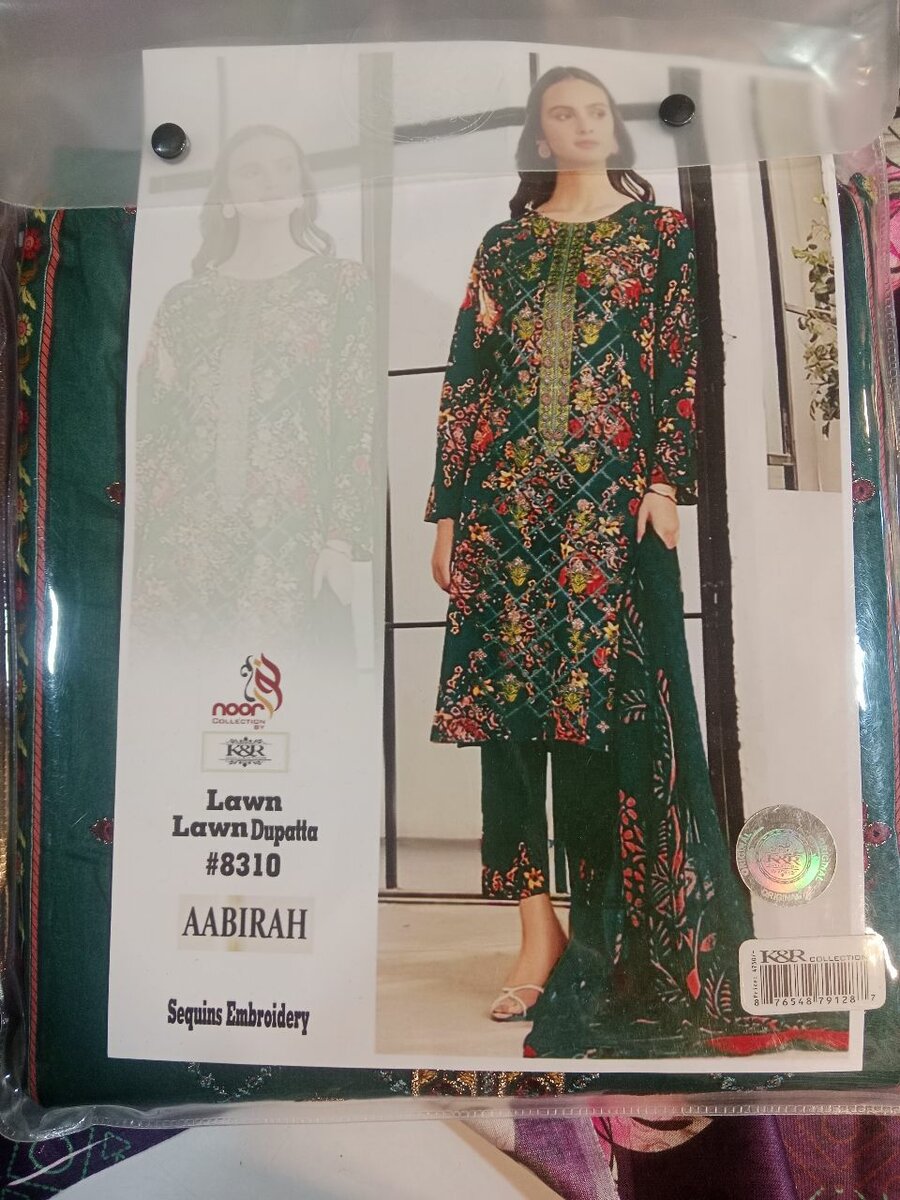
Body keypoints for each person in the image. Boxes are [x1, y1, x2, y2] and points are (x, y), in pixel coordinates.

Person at [424, 67, 848, 1057]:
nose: (580, 125)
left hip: (609, 516)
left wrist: (663, 480)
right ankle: (534, 932)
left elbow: (679, 360)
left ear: (615, 128)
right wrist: (447, 512)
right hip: (504, 511)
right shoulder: (505, 245)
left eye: (595, 111)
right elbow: (467, 378)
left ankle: (607, 934)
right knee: (510, 727)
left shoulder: (659, 236)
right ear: (539, 135)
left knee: (608, 722)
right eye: (560, 113)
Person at [132, 124, 377, 661]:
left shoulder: (340, 284)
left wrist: (340, 540)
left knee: (277, 687)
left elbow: (356, 417)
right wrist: (134, 543)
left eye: (285, 167)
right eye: (251, 170)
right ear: (226, 197)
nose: (271, 180)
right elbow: (151, 426)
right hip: (180, 540)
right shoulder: (185, 301)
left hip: (286, 539)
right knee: (181, 688)